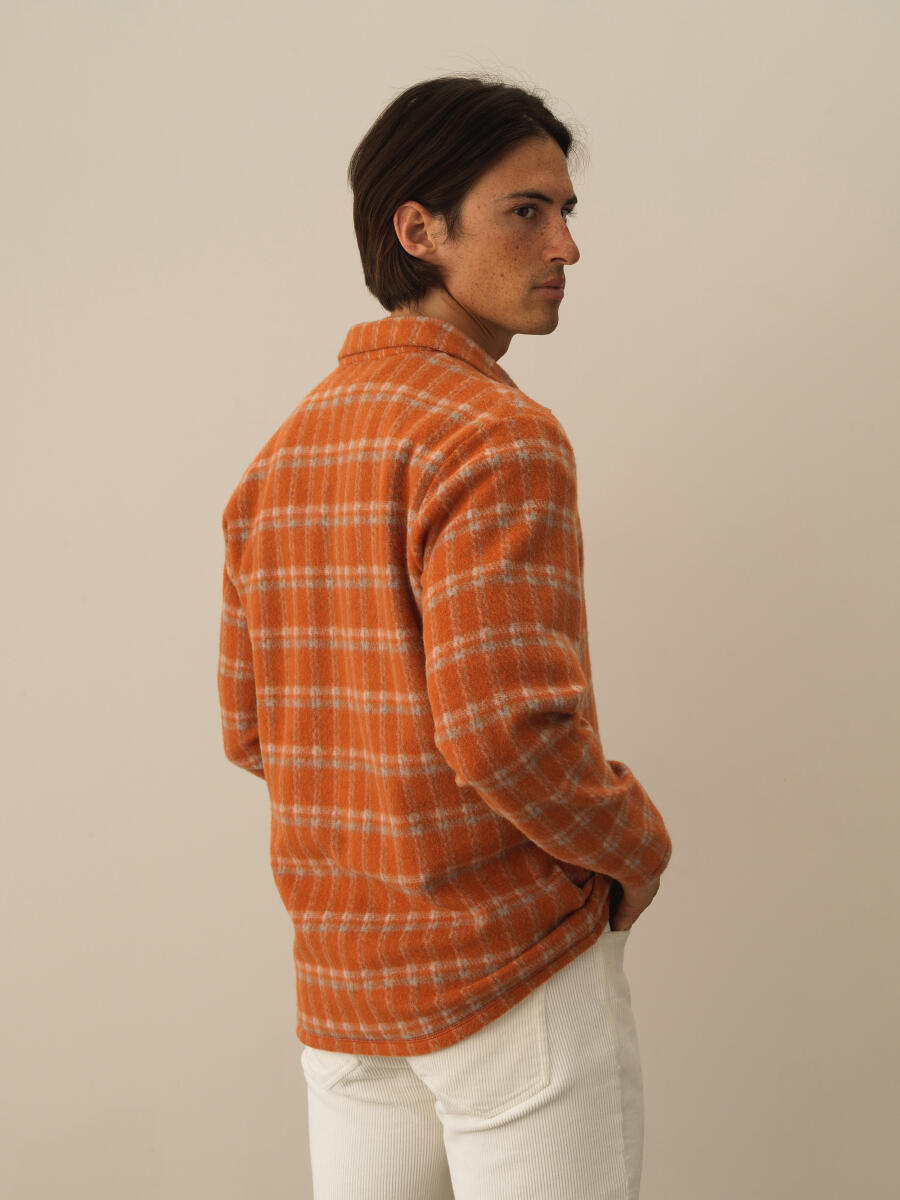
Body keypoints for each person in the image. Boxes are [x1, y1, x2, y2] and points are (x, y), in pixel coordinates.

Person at [217, 73, 672, 1200]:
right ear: (417, 229)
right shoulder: (497, 434)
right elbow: (502, 730)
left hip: (347, 991)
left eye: (566, 211)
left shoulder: (283, 455)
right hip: (509, 978)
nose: (566, 245)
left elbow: (250, 729)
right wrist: (635, 847)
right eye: (526, 210)